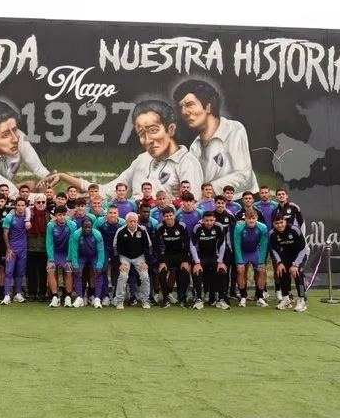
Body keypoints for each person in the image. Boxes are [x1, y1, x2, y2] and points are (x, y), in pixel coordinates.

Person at [56, 100, 204, 201]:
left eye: (153, 130)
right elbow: (108, 191)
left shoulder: (188, 164)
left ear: (170, 129)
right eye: (141, 134)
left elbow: (192, 207)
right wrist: (64, 177)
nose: (148, 140)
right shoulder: (142, 160)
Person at [173, 79, 258, 196]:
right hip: (212, 205)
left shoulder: (234, 129)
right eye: (181, 107)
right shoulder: (195, 147)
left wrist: (208, 190)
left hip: (243, 201)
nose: (184, 112)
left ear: (208, 107)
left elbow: (244, 177)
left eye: (189, 105)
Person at [112, 212, 153, 310]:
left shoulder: (142, 230)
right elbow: (114, 248)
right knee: (123, 275)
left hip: (139, 257)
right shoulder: (121, 231)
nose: (133, 223)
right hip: (124, 257)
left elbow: (149, 246)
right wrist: (119, 263)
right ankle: (119, 301)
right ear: (126, 221)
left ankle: (145, 300)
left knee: (145, 276)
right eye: (130, 221)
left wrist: (147, 262)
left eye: (135, 221)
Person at [269, 215, 309, 312]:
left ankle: (301, 300)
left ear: (285, 222)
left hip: (301, 254)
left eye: (281, 222)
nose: (279, 225)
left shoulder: (294, 230)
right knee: (281, 271)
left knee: (297, 273)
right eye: (277, 223)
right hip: (286, 255)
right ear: (273, 224)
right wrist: (279, 262)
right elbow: (273, 249)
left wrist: (295, 265)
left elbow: (303, 248)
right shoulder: (272, 233)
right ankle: (286, 298)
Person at [190, 211, 229, 310]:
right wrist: (197, 262)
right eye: (206, 220)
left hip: (214, 256)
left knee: (222, 272)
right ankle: (198, 299)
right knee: (197, 271)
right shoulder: (197, 228)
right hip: (201, 256)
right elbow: (192, 245)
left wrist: (220, 261)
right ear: (203, 220)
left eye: (211, 220)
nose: (209, 223)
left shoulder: (219, 227)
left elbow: (222, 244)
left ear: (214, 220)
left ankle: (221, 299)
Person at [153, 207, 191, 308]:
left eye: (170, 215)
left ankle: (183, 299)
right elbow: (156, 246)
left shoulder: (181, 225)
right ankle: (166, 299)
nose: (169, 218)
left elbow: (187, 244)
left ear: (174, 215)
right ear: (163, 217)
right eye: (166, 216)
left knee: (185, 272)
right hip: (167, 255)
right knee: (162, 271)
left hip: (181, 254)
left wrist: (185, 260)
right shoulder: (160, 227)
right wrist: (161, 261)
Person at [234, 212, 269, 308]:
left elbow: (264, 245)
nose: (251, 220)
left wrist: (261, 261)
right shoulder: (239, 227)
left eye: (253, 218)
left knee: (262, 271)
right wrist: (240, 261)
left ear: (257, 218)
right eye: (249, 218)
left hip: (255, 252)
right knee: (240, 270)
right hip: (243, 252)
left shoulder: (263, 227)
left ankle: (260, 297)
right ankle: (243, 297)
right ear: (245, 219)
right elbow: (236, 244)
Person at [68, 219, 105, 308]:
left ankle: (97, 299)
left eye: (89, 227)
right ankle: (79, 297)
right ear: (82, 227)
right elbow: (74, 250)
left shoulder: (97, 234)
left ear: (92, 227)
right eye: (85, 227)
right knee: (77, 273)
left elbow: (101, 251)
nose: (87, 229)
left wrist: (99, 265)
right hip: (82, 256)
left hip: (94, 255)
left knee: (98, 273)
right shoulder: (77, 234)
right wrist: (75, 265)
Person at [94, 205, 125, 307]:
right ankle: (105, 295)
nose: (112, 215)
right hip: (104, 248)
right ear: (107, 214)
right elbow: (93, 233)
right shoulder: (100, 221)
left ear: (118, 214)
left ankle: (115, 295)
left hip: (116, 249)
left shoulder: (122, 223)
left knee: (117, 270)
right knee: (103, 269)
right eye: (110, 213)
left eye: (114, 213)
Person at [46, 206, 78, 308]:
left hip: (66, 254)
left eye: (64, 215)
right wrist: (50, 259)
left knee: (69, 271)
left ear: (67, 215)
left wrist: (69, 259)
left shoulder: (72, 225)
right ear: (55, 216)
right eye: (59, 215)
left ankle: (68, 297)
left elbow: (72, 243)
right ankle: (55, 297)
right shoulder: (51, 225)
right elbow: (49, 242)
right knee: (50, 270)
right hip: (56, 253)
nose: (62, 217)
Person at [2, 197, 31, 304]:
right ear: (15, 206)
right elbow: (5, 233)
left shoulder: (27, 216)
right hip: (12, 249)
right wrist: (9, 248)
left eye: (23, 205)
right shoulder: (10, 217)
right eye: (18, 205)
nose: (20, 207)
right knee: (9, 271)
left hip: (23, 248)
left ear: (25, 206)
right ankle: (6, 295)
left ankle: (18, 293)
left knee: (20, 272)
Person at [213, 195, 238, 298]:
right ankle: (216, 292)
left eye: (222, 203)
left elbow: (236, 229)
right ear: (215, 204)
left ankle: (230, 292)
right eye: (218, 203)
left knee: (228, 271)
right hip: (214, 248)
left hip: (227, 248)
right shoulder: (211, 216)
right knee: (217, 272)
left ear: (225, 204)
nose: (220, 205)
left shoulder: (229, 216)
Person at [26, 197, 50, 302]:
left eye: (43, 202)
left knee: (43, 273)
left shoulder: (49, 214)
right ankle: (32, 293)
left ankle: (42, 293)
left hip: (45, 248)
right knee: (31, 272)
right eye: (38, 202)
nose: (41, 204)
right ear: (34, 203)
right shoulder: (29, 214)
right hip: (31, 247)